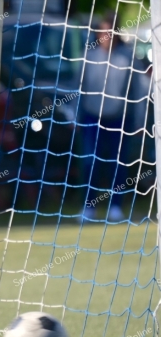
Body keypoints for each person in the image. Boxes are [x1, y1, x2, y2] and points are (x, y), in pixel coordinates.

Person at [79, 15, 133, 222]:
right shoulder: (88, 57)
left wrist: (136, 120)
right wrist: (75, 117)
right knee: (90, 163)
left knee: (118, 164)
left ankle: (116, 206)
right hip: (92, 118)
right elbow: (78, 88)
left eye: (110, 32)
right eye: (103, 32)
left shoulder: (126, 58)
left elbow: (136, 91)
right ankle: (89, 207)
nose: (106, 36)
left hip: (119, 119)